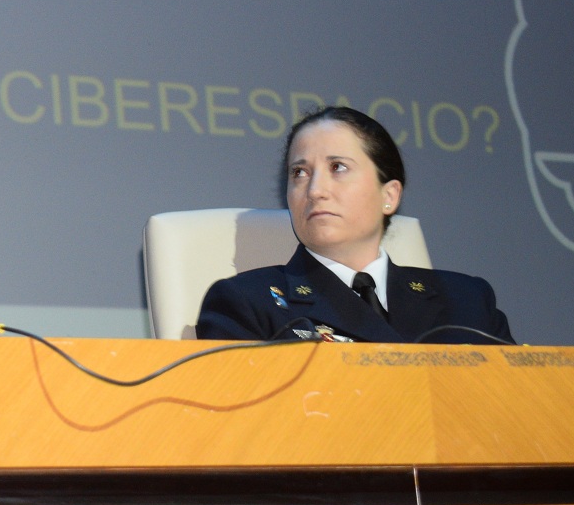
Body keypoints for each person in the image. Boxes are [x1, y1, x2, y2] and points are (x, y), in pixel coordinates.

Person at [196, 106, 512, 344]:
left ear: (389, 196)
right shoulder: (249, 302)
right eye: (299, 173)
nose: (315, 190)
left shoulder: (466, 300)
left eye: (338, 167)